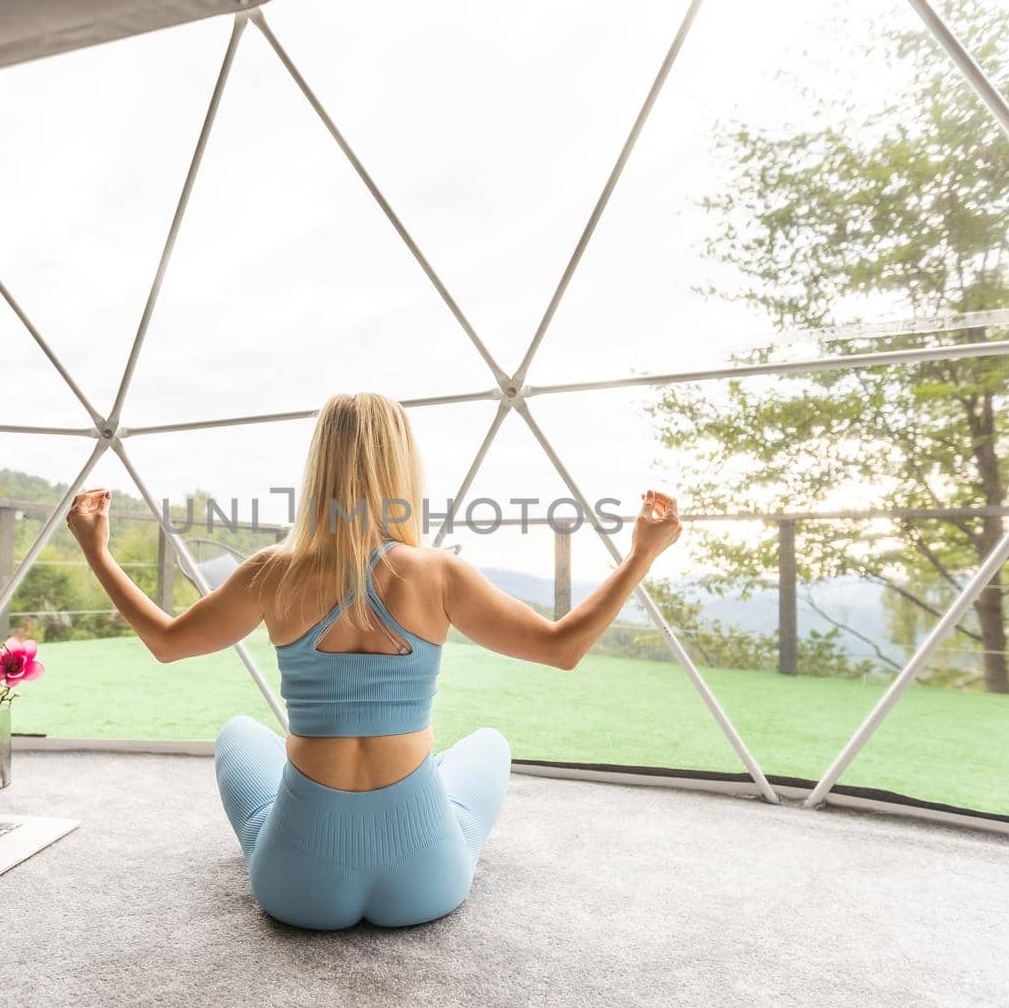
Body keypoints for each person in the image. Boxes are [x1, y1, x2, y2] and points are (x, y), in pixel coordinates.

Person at [65, 392, 682, 930]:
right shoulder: (438, 573)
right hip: (427, 883)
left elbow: (167, 642)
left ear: (319, 470)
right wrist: (641, 554)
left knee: (239, 735)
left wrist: (97, 551)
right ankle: (421, 795)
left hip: (295, 890)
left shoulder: (272, 572)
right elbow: (562, 647)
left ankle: (301, 831)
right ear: (403, 468)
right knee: (488, 744)